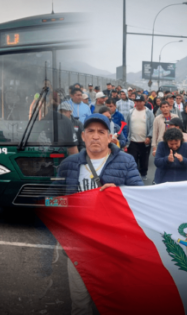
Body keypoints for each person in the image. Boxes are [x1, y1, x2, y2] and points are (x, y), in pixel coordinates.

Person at [54, 113, 143, 314]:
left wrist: (120, 193)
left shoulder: (126, 161)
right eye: (91, 132)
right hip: (80, 246)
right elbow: (55, 200)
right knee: (80, 303)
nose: (95, 137)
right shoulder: (68, 164)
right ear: (83, 136)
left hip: (114, 247)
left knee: (115, 302)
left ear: (110, 137)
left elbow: (140, 199)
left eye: (101, 132)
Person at [125, 94, 155, 181]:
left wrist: (149, 137)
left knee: (144, 159)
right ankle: (133, 175)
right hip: (133, 141)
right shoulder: (130, 112)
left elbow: (152, 126)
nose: (138, 103)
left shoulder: (149, 113)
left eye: (140, 101)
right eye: (136, 101)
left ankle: (143, 174)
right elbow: (127, 125)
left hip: (145, 141)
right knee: (132, 159)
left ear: (144, 102)